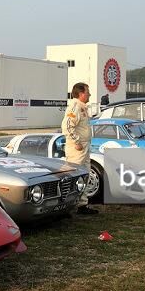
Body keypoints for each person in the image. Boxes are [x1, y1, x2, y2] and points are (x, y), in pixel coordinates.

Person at [62, 82, 97, 215]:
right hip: (77, 148)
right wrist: (76, 141)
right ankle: (67, 206)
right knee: (74, 176)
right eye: (88, 92)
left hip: (84, 146)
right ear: (81, 93)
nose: (90, 94)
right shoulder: (75, 106)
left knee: (85, 175)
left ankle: (82, 204)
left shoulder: (82, 107)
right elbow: (67, 127)